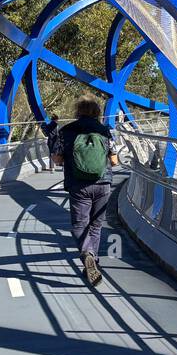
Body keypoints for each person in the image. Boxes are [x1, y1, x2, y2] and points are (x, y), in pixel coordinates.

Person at [53, 96, 118, 286]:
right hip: (103, 182)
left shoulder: (65, 131)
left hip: (78, 184)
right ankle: (93, 260)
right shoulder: (105, 131)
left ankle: (87, 254)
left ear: (77, 111)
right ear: (97, 112)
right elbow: (114, 161)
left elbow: (57, 159)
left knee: (79, 224)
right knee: (96, 226)